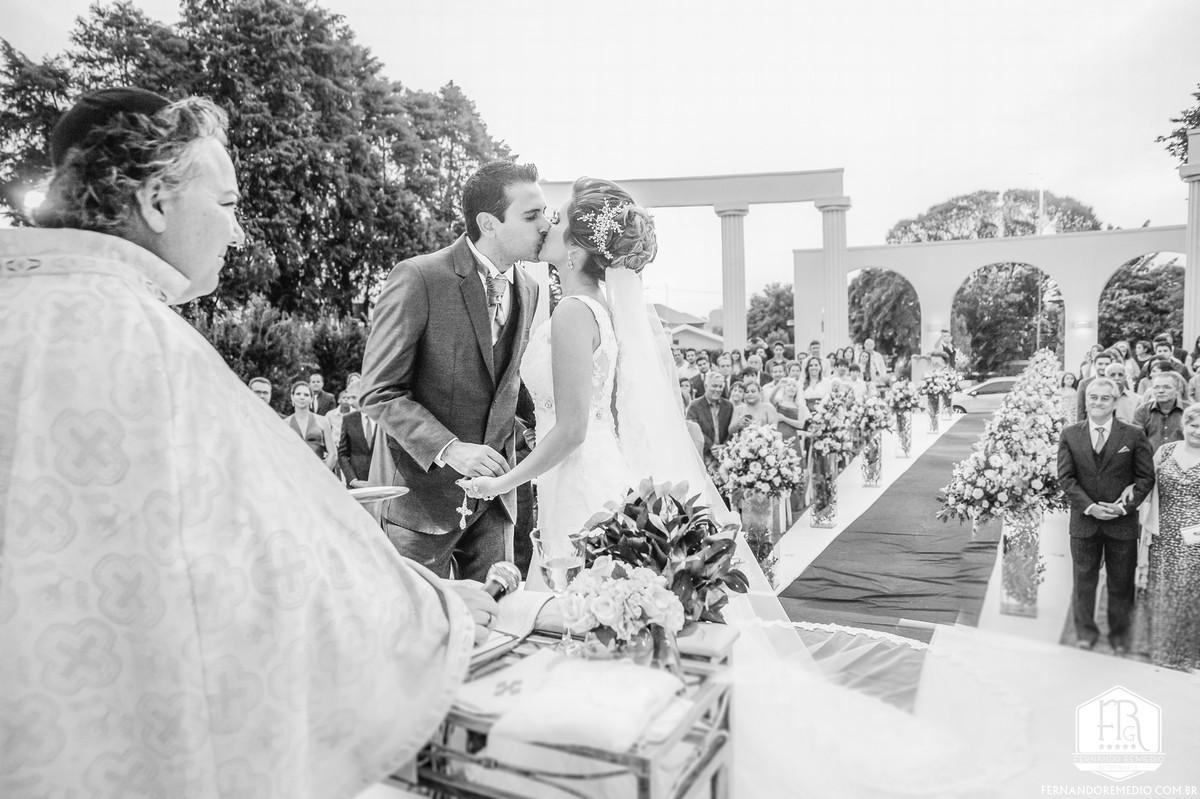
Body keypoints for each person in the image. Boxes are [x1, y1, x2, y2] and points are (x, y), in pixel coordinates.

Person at [0, 87, 491, 799]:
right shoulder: (142, 342)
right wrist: (434, 610)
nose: (237, 234)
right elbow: (282, 555)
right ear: (156, 201)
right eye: (227, 204)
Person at [359, 159, 545, 580]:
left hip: (495, 500)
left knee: (497, 614)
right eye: (531, 215)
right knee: (420, 618)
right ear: (488, 223)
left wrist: (543, 424)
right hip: (419, 503)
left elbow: (506, 380)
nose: (545, 225)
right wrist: (452, 449)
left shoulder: (530, 289)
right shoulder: (419, 277)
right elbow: (378, 392)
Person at [1058, 377, 1155, 655]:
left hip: (1122, 523)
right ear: (1086, 400)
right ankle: (1085, 634)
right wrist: (1090, 507)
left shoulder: (1133, 434)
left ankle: (1120, 637)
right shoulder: (1070, 434)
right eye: (1093, 397)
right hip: (1084, 521)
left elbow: (1145, 477)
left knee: (1121, 583)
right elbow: (1066, 478)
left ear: (1115, 402)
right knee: (1083, 582)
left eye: (1105, 398)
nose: (1098, 402)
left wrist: (1124, 508)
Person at [1144, 402, 1200, 670]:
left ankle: (1190, 653)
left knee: (1191, 590)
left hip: (1196, 537)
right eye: (1193, 425)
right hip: (1163, 532)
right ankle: (1164, 650)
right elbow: (1145, 482)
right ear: (1184, 425)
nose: (1197, 431)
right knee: (1164, 588)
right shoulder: (1166, 451)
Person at [284, 380, 337, 471]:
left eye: (306, 395)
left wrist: (324, 473)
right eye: (298, 394)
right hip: (293, 472)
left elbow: (333, 454)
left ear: (311, 399)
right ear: (292, 397)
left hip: (318, 472)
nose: (302, 397)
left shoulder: (323, 421)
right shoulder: (285, 423)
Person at [1132, 371, 1188, 453]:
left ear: (1178, 390)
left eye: (1167, 387)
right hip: (1151, 458)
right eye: (1156, 387)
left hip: (1183, 457)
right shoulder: (1142, 411)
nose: (1161, 391)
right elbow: (1137, 440)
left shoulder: (1189, 410)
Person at [688, 371, 735, 466]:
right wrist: (711, 446)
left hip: (725, 456)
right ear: (705, 386)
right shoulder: (694, 406)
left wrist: (725, 446)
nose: (717, 389)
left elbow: (732, 429)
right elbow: (692, 430)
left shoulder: (728, 406)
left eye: (720, 386)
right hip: (703, 455)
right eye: (714, 386)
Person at [338, 403, 377, 488]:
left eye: (354, 397)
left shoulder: (384, 417)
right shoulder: (348, 419)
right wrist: (352, 480)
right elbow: (342, 454)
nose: (351, 403)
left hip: (383, 481)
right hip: (358, 483)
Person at [1075, 348, 1116, 419]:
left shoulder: (1116, 383)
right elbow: (1080, 409)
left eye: (1107, 364)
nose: (1103, 367)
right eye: (1100, 364)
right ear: (1094, 365)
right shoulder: (1084, 384)